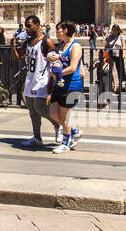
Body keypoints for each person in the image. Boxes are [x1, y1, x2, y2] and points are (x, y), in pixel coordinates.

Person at [13, 15, 55, 147]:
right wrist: (12, 46)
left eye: (29, 25)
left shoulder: (46, 42)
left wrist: (51, 82)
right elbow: (17, 56)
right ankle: (37, 137)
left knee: (40, 108)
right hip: (30, 79)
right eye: (26, 26)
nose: (27, 28)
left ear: (37, 25)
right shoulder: (27, 42)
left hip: (42, 79)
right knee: (32, 110)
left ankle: (58, 124)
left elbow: (56, 61)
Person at [48, 21, 84, 153]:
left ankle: (65, 144)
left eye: (59, 29)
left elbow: (73, 67)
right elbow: (60, 61)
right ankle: (74, 131)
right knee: (52, 112)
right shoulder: (62, 45)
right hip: (60, 84)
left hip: (70, 85)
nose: (56, 31)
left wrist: (57, 74)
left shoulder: (75, 47)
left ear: (66, 30)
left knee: (63, 117)